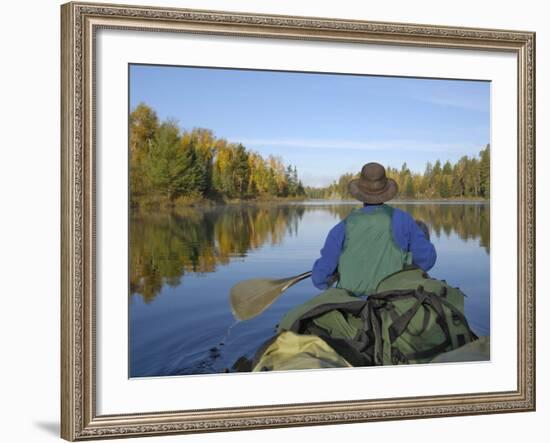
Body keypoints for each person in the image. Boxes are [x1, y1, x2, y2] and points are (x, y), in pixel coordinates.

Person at [312, 162, 436, 295]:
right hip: (393, 303)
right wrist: (406, 260)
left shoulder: (341, 228)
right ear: (386, 191)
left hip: (352, 306)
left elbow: (319, 279)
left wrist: (335, 272)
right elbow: (427, 260)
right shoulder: (404, 220)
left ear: (359, 193)